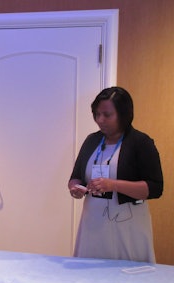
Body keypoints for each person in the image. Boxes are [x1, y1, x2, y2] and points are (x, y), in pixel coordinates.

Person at [68, 87, 163, 263]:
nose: (100, 120)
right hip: (93, 225)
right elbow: (76, 176)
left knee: (126, 279)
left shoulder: (141, 142)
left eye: (107, 115)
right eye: (97, 114)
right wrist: (75, 187)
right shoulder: (92, 140)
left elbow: (155, 188)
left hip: (128, 227)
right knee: (90, 277)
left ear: (123, 114)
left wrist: (114, 185)